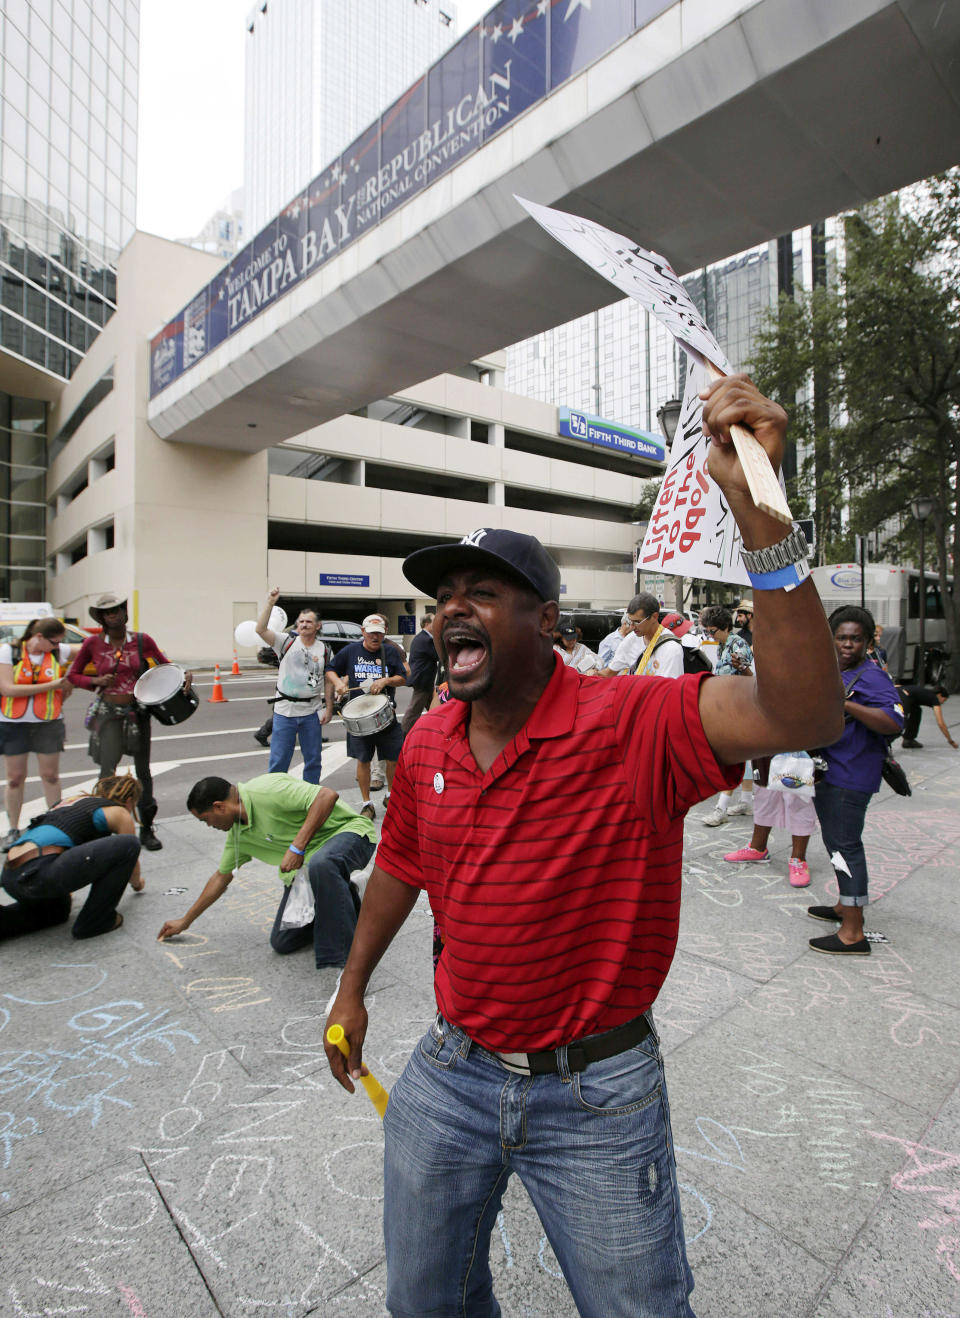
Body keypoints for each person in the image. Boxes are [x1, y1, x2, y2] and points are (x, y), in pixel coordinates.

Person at [323, 373, 845, 1318]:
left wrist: (762, 501)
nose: (451, 609)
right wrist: (352, 989)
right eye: (444, 596)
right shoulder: (432, 737)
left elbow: (801, 711)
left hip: (595, 1097)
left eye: (483, 592)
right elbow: (401, 864)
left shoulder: (631, 723)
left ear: (548, 622)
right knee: (423, 1302)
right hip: (451, 1070)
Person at [159, 773, 376, 968]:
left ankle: (347, 965)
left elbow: (327, 796)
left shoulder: (267, 789)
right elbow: (220, 878)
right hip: (307, 873)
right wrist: (185, 921)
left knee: (322, 863)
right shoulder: (238, 836)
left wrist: (297, 847)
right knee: (282, 941)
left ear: (219, 807)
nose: (208, 826)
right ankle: (349, 891)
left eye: (205, 819)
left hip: (349, 834)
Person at [807, 605, 904, 955]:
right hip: (830, 774)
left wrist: (847, 705)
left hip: (851, 778)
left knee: (846, 847)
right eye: (842, 637)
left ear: (866, 642)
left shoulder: (871, 676)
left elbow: (894, 722)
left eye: (856, 639)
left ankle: (852, 932)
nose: (848, 644)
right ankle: (843, 906)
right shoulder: (837, 672)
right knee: (836, 845)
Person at [67, 592, 189, 851]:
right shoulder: (92, 644)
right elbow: (74, 675)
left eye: (116, 610)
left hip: (137, 713)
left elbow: (165, 667)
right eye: (107, 612)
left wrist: (182, 675)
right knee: (107, 772)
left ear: (124, 612)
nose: (112, 615)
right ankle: (103, 825)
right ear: (101, 617)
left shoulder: (142, 641)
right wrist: (95, 682)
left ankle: (146, 828)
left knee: (143, 771)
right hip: (108, 715)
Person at [0, 774, 143, 942]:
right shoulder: (118, 811)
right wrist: (137, 884)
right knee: (128, 844)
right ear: (128, 801)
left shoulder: (69, 803)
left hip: (11, 876)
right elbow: (131, 863)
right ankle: (96, 921)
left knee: (58, 911)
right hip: (38, 870)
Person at [0, 617, 79, 849]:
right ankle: (13, 829)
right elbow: (7, 689)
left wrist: (72, 679)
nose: (58, 647)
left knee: (51, 776)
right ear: (39, 637)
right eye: (54, 642)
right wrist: (55, 685)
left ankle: (57, 826)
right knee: (15, 778)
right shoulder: (9, 652)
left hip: (48, 722)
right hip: (13, 723)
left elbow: (87, 651)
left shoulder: (56, 651)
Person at [255, 590, 337, 782]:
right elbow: (260, 630)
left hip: (311, 712)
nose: (304, 625)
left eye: (308, 621)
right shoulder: (285, 641)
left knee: (313, 760)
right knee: (279, 761)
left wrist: (329, 708)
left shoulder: (325, 650)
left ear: (318, 626)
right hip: (284, 712)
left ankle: (310, 796)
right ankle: (276, 797)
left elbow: (328, 680)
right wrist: (270, 603)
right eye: (301, 621)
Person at [331, 616, 406, 821]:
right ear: (363, 631)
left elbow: (403, 677)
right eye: (372, 632)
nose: (375, 636)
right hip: (359, 714)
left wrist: (387, 680)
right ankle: (367, 803)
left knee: (393, 759)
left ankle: (390, 796)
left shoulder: (389, 651)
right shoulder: (351, 651)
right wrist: (338, 683)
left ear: (384, 633)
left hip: (385, 715)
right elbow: (330, 669)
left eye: (379, 633)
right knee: (363, 760)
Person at [723, 755, 817, 887]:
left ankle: (798, 858)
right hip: (766, 749)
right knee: (763, 794)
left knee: (798, 797)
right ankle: (757, 847)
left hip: (798, 747)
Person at [699, 605, 755, 826]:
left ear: (725, 628)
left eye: (712, 631)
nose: (710, 635)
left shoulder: (737, 644)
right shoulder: (723, 645)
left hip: (738, 708)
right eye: (707, 632)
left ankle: (721, 808)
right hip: (730, 706)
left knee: (731, 757)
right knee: (744, 758)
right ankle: (746, 800)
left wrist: (739, 667)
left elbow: (744, 672)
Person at [599, 593, 685, 679]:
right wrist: (592, 673)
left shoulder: (672, 649)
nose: (632, 626)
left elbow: (670, 689)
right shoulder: (631, 639)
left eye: (637, 622)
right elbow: (609, 673)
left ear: (654, 617)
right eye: (630, 621)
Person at [401, 613, 438, 737]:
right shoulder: (426, 639)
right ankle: (403, 734)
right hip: (422, 680)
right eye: (434, 622)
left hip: (425, 679)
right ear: (427, 624)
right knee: (414, 710)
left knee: (436, 708)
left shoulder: (421, 637)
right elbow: (438, 655)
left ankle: (437, 730)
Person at [897, 683, 956, 750]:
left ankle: (909, 739)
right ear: (939, 695)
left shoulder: (923, 692)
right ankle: (885, 743)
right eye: (944, 700)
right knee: (901, 722)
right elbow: (940, 723)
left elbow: (899, 686)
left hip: (897, 692)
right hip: (902, 697)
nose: (942, 703)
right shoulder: (934, 698)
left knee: (916, 710)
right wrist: (950, 740)